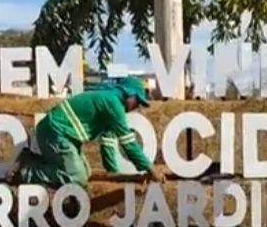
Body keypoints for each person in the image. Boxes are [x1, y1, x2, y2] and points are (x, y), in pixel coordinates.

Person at [10, 76, 165, 188]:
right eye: (137, 101)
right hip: (56, 132)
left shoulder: (110, 104)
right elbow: (129, 144)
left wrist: (114, 175)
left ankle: (33, 159)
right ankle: (26, 172)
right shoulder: (112, 103)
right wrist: (150, 168)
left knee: (86, 172)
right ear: (129, 94)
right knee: (77, 178)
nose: (136, 107)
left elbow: (108, 143)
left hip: (64, 135)